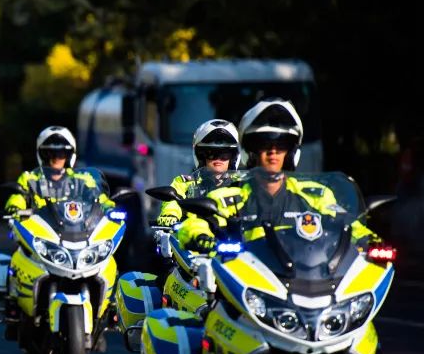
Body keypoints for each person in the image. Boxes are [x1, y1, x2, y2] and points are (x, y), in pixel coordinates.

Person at [178, 99, 376, 252]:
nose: (273, 151)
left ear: (290, 152)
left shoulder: (316, 195)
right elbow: (194, 224)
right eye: (265, 144)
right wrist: (199, 236)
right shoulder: (228, 198)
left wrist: (370, 241)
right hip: (247, 288)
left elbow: (349, 224)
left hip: (307, 284)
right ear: (251, 151)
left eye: (281, 145)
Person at [154, 119, 241, 228]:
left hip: (234, 238)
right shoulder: (186, 183)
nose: (218, 158)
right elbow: (173, 202)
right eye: (211, 153)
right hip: (193, 239)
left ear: (233, 157)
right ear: (201, 156)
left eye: (224, 154)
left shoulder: (242, 184)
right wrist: (170, 214)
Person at [4, 126, 110, 214]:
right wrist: (14, 207)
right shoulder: (30, 178)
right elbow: (18, 197)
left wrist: (110, 208)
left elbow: (100, 198)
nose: (56, 158)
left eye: (61, 153)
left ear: (68, 155)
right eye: (50, 153)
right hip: (39, 233)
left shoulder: (84, 180)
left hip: (80, 232)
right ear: (42, 154)